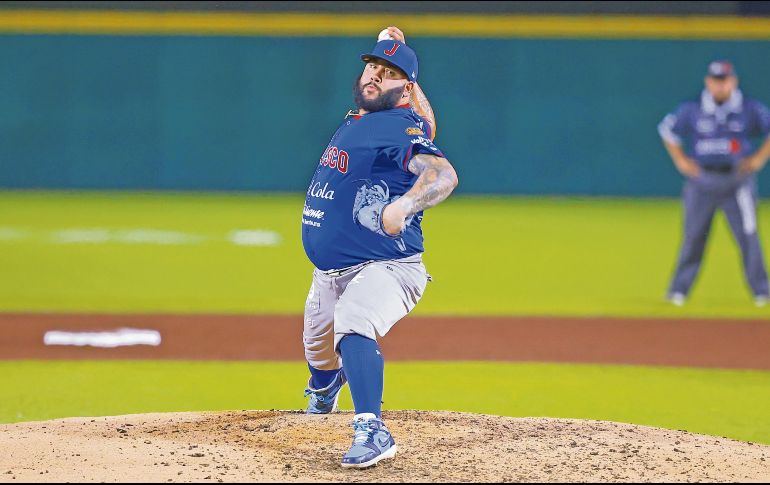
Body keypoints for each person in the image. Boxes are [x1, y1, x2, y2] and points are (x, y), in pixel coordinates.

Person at [300, 26, 458, 468]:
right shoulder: (369, 118)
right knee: (318, 351)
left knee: (353, 321)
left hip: (388, 265)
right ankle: (326, 387)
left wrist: (404, 205)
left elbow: (443, 175)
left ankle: (372, 429)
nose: (373, 75)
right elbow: (427, 122)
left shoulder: (396, 124)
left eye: (386, 73)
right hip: (331, 271)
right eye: (372, 66)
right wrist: (400, 59)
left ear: (404, 89)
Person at [658, 60, 770, 307]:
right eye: (716, 80)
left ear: (734, 81)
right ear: (708, 82)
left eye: (725, 80)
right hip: (702, 181)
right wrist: (681, 160)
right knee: (693, 237)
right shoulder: (694, 108)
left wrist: (759, 158)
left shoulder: (748, 108)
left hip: (737, 181)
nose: (720, 86)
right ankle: (679, 291)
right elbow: (667, 130)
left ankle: (762, 291)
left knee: (749, 236)